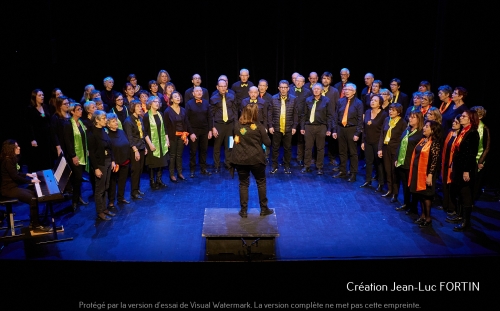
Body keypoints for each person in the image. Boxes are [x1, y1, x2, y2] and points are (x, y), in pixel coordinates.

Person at [229, 103, 273, 218]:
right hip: (256, 159)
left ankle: (243, 211)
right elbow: (268, 143)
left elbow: (235, 140)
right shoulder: (259, 126)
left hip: (240, 160)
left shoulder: (237, 125)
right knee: (261, 182)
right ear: (255, 113)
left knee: (243, 184)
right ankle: (264, 209)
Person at [0, 139, 52, 233]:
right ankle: (35, 226)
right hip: (8, 189)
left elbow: (16, 173)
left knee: (33, 194)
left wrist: (27, 174)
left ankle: (34, 222)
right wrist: (30, 181)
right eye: (16, 146)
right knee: (32, 198)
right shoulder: (7, 161)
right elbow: (15, 177)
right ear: (11, 149)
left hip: (12, 187)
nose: (19, 147)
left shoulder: (10, 159)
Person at [450, 110, 480, 231]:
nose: (460, 118)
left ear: (470, 119)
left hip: (466, 168)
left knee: (465, 193)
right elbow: (458, 150)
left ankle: (466, 222)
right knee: (459, 192)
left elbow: (471, 154)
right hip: (459, 166)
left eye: (463, 116)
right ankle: (460, 215)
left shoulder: (472, 133)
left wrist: (466, 171)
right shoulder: (463, 131)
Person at [409, 120, 442, 228]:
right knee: (421, 195)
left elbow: (434, 161)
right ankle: (422, 216)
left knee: (426, 196)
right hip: (418, 173)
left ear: (433, 130)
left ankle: (428, 218)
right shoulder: (423, 140)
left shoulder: (435, 143)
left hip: (426, 174)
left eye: (427, 127)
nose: (424, 128)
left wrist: (430, 175)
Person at [88, 111, 116, 221]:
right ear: (97, 120)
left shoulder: (104, 131)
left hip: (108, 161)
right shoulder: (92, 134)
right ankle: (100, 211)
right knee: (100, 189)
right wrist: (96, 168)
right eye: (103, 118)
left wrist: (113, 160)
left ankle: (104, 208)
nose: (106, 120)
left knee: (106, 186)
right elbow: (92, 154)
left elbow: (110, 147)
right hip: (101, 164)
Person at [332, 83, 363, 182]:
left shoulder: (358, 103)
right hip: (341, 129)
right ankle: (342, 171)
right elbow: (336, 116)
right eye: (345, 89)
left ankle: (353, 173)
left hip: (352, 129)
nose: (346, 91)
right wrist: (335, 130)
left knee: (353, 153)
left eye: (349, 90)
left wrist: (357, 133)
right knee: (342, 151)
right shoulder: (340, 101)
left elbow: (360, 120)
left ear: (354, 91)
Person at [394, 111, 424, 214]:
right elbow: (400, 144)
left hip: (412, 164)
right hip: (402, 162)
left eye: (413, 118)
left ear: (419, 120)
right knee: (405, 185)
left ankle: (413, 207)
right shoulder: (407, 130)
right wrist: (396, 158)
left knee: (412, 187)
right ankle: (406, 203)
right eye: (410, 117)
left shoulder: (421, 134)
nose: (410, 119)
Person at [300, 83, 333, 175]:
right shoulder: (308, 100)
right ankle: (306, 166)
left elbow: (330, 116)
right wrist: (302, 127)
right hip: (309, 126)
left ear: (322, 90)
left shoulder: (326, 101)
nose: (316, 90)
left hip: (321, 127)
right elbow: (304, 115)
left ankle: (319, 167)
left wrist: (329, 129)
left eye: (318, 89)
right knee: (308, 147)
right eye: (314, 89)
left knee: (320, 148)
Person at [378, 103, 407, 202]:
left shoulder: (402, 123)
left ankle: (395, 193)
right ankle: (390, 190)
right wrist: (380, 148)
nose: (390, 111)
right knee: (387, 170)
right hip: (386, 148)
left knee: (394, 172)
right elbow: (382, 134)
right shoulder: (387, 120)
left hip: (395, 149)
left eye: (393, 110)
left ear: (398, 112)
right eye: (390, 109)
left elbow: (403, 139)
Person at [63, 103, 89, 211]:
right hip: (73, 156)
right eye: (78, 109)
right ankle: (74, 200)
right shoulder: (68, 124)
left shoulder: (81, 123)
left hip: (82, 154)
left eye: (81, 109)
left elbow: (84, 138)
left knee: (78, 178)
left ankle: (78, 197)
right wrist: (73, 156)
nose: (81, 111)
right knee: (77, 178)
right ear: (72, 112)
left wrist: (86, 149)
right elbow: (68, 142)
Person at [269, 80, 298, 174]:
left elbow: (295, 114)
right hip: (276, 128)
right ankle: (274, 166)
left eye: (285, 87)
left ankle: (287, 165)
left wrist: (294, 126)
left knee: (288, 148)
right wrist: (270, 126)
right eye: (281, 87)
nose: (283, 89)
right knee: (275, 148)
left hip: (289, 128)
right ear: (278, 88)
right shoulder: (273, 98)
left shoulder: (293, 99)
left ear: (288, 88)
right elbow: (270, 114)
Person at [360, 94, 388, 188]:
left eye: (375, 100)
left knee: (378, 163)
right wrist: (363, 141)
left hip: (377, 142)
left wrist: (380, 147)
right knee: (368, 162)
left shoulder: (383, 114)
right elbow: (364, 128)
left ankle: (381, 183)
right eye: (372, 100)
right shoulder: (367, 112)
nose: (372, 102)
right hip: (368, 141)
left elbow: (383, 131)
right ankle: (368, 180)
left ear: (380, 103)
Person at [210, 79, 237, 173]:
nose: (223, 88)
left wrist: (236, 125)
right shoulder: (213, 98)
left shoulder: (232, 97)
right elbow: (211, 115)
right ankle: (217, 165)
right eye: (221, 86)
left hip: (230, 125)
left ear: (227, 87)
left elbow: (235, 111)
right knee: (217, 147)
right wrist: (213, 128)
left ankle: (228, 163)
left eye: (224, 86)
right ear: (217, 87)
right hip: (218, 125)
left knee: (229, 146)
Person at [164, 91, 192, 182]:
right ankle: (172, 174)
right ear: (171, 99)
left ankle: (180, 173)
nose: (178, 98)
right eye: (175, 96)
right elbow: (166, 126)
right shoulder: (168, 111)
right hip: (172, 136)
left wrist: (186, 136)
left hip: (182, 136)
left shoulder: (183, 110)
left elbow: (186, 123)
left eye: (179, 96)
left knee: (179, 155)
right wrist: (167, 139)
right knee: (172, 155)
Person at [123, 100, 147, 200]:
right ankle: (134, 192)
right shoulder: (128, 121)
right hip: (134, 149)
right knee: (135, 171)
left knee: (140, 170)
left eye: (140, 106)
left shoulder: (139, 119)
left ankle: (137, 189)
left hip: (141, 147)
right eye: (137, 106)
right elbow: (130, 138)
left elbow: (142, 134)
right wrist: (135, 150)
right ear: (133, 108)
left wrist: (144, 146)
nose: (140, 108)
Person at [186, 87, 212, 178]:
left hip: (204, 130)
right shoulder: (189, 104)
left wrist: (210, 130)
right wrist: (191, 133)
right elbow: (187, 119)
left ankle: (203, 168)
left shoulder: (206, 103)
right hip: (194, 131)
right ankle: (192, 169)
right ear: (193, 93)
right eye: (197, 91)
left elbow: (210, 117)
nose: (199, 92)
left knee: (204, 150)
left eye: (200, 91)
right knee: (193, 151)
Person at [25, 89, 53, 172]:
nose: (42, 97)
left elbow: (48, 121)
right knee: (37, 159)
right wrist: (32, 139)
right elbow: (29, 125)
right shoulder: (30, 109)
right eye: (40, 95)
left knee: (47, 160)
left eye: (43, 95)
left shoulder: (45, 107)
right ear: (34, 97)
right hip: (37, 138)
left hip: (46, 138)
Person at [144, 96, 169, 189]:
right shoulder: (147, 116)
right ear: (150, 103)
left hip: (161, 142)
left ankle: (159, 180)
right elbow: (144, 132)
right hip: (152, 142)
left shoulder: (160, 114)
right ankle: (152, 181)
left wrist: (167, 139)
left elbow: (165, 128)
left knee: (161, 162)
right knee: (153, 163)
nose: (157, 103)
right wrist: (150, 144)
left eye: (158, 102)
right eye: (155, 102)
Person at [106, 113, 131, 208]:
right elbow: (109, 149)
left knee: (122, 181)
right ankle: (111, 201)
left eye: (116, 120)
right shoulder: (107, 135)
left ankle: (121, 198)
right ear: (108, 124)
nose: (116, 122)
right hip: (115, 163)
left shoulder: (121, 131)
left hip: (125, 161)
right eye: (113, 121)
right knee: (112, 183)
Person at [288, 75, 311, 166]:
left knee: (301, 139)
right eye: (297, 80)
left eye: (300, 81)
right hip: (290, 117)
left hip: (302, 118)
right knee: (288, 139)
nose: (298, 82)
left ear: (303, 83)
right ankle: (287, 158)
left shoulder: (307, 92)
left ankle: (300, 158)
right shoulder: (289, 89)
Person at [441, 115, 462, 218]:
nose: (453, 123)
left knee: (452, 186)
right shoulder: (450, 132)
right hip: (446, 162)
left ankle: (452, 208)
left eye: (456, 122)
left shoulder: (461, 136)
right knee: (445, 184)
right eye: (453, 121)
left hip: (454, 164)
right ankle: (445, 204)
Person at [470, 106, 490, 205]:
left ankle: (469, 205)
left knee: (474, 185)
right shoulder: (469, 126)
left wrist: (480, 162)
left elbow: (487, 147)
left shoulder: (484, 128)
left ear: (481, 116)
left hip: (478, 161)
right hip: (468, 159)